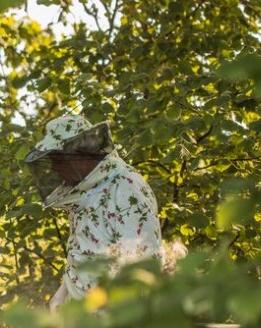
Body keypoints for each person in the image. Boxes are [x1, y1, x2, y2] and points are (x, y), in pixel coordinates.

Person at [23, 114, 163, 311]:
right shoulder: (86, 191)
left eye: (58, 160)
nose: (54, 168)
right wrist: (63, 292)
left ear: (79, 155)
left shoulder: (125, 188)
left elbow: (142, 267)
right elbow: (84, 249)